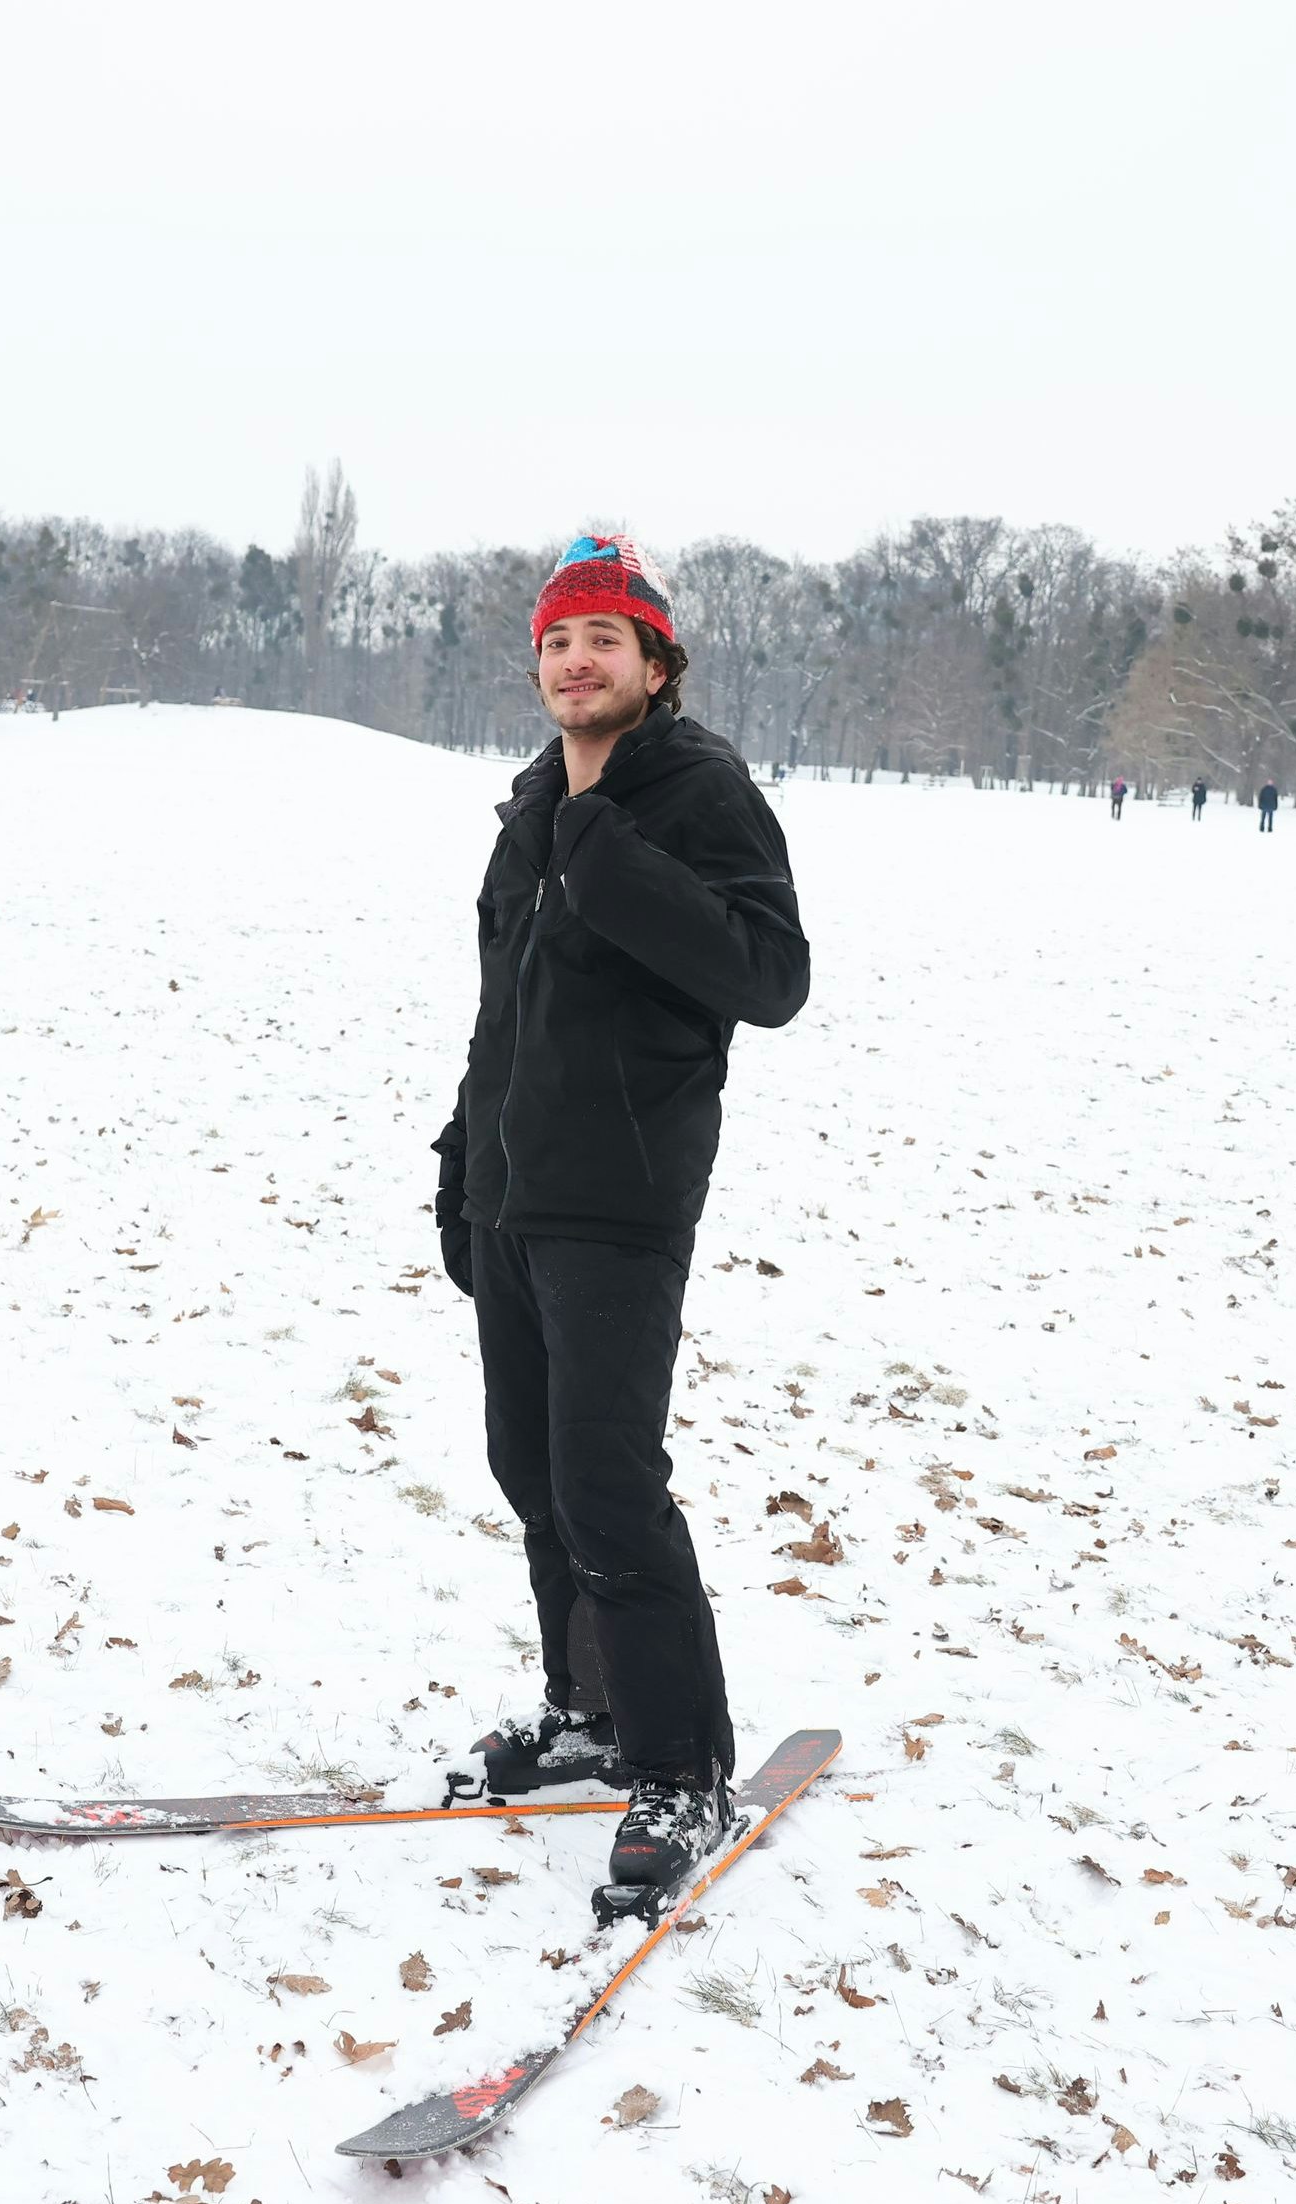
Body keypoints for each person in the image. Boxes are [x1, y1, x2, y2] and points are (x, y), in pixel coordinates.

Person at [431, 534, 809, 1903]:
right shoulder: (532, 800)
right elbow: (506, 1008)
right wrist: (462, 1157)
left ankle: (682, 1763)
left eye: (604, 639)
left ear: (656, 664)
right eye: (555, 641)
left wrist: (603, 842)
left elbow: (770, 973)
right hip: (519, 1190)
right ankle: (589, 1710)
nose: (574, 661)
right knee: (530, 1468)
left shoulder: (693, 793)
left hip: (624, 1194)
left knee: (608, 1483)